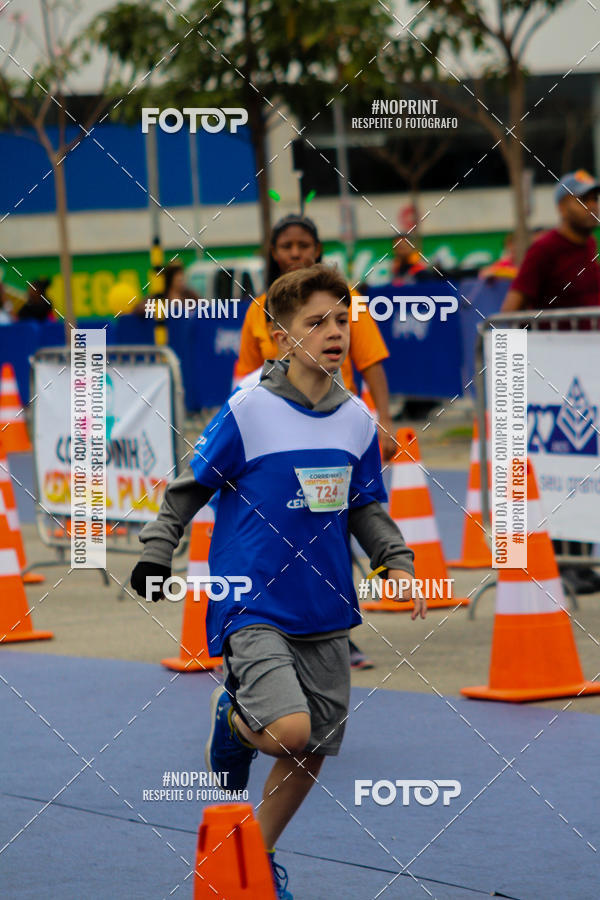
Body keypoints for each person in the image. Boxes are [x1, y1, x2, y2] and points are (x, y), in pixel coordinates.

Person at [130, 264, 424, 899]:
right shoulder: (249, 408)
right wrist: (157, 552)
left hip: (324, 606)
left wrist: (394, 560)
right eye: (315, 321)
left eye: (342, 320)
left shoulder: (354, 417)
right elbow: (188, 489)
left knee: (310, 748)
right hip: (251, 599)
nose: (334, 332)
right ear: (282, 336)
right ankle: (234, 719)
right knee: (287, 730)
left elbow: (365, 505)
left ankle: (250, 864)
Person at [502, 170, 600, 595]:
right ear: (562, 206)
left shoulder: (592, 247)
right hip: (558, 381)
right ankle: (563, 559)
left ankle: (583, 555)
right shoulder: (544, 250)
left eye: (596, 199)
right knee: (564, 464)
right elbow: (510, 310)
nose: (594, 207)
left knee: (588, 466)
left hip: (591, 375)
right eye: (585, 200)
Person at [234, 214, 397, 462]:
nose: (296, 253)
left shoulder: (348, 301)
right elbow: (246, 376)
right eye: (287, 246)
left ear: (318, 249)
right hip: (276, 430)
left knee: (348, 498)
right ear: (274, 253)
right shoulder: (258, 309)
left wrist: (384, 421)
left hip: (337, 423)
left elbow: (371, 362)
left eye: (304, 245)